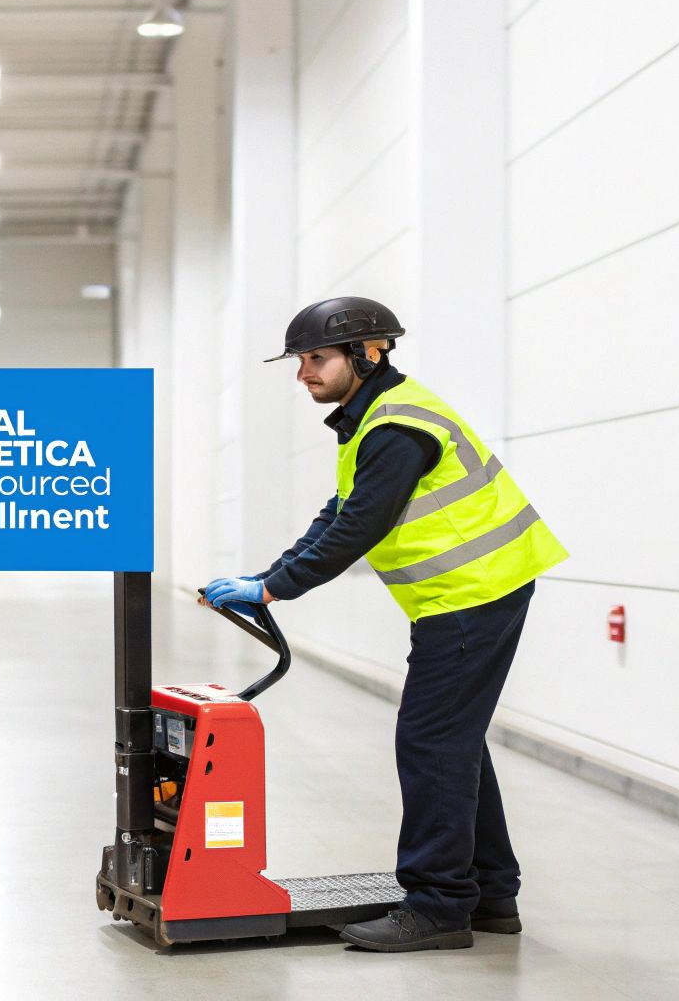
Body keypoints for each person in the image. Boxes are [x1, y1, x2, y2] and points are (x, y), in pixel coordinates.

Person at [202, 296, 567, 953]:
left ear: (368, 355)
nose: (303, 373)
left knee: (430, 743)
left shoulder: (395, 429)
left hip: (471, 595)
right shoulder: (370, 420)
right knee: (454, 741)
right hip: (468, 594)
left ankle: (438, 905)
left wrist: (272, 588)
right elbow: (338, 510)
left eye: (316, 358)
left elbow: (357, 529)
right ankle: (490, 893)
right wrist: (270, 579)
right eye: (301, 361)